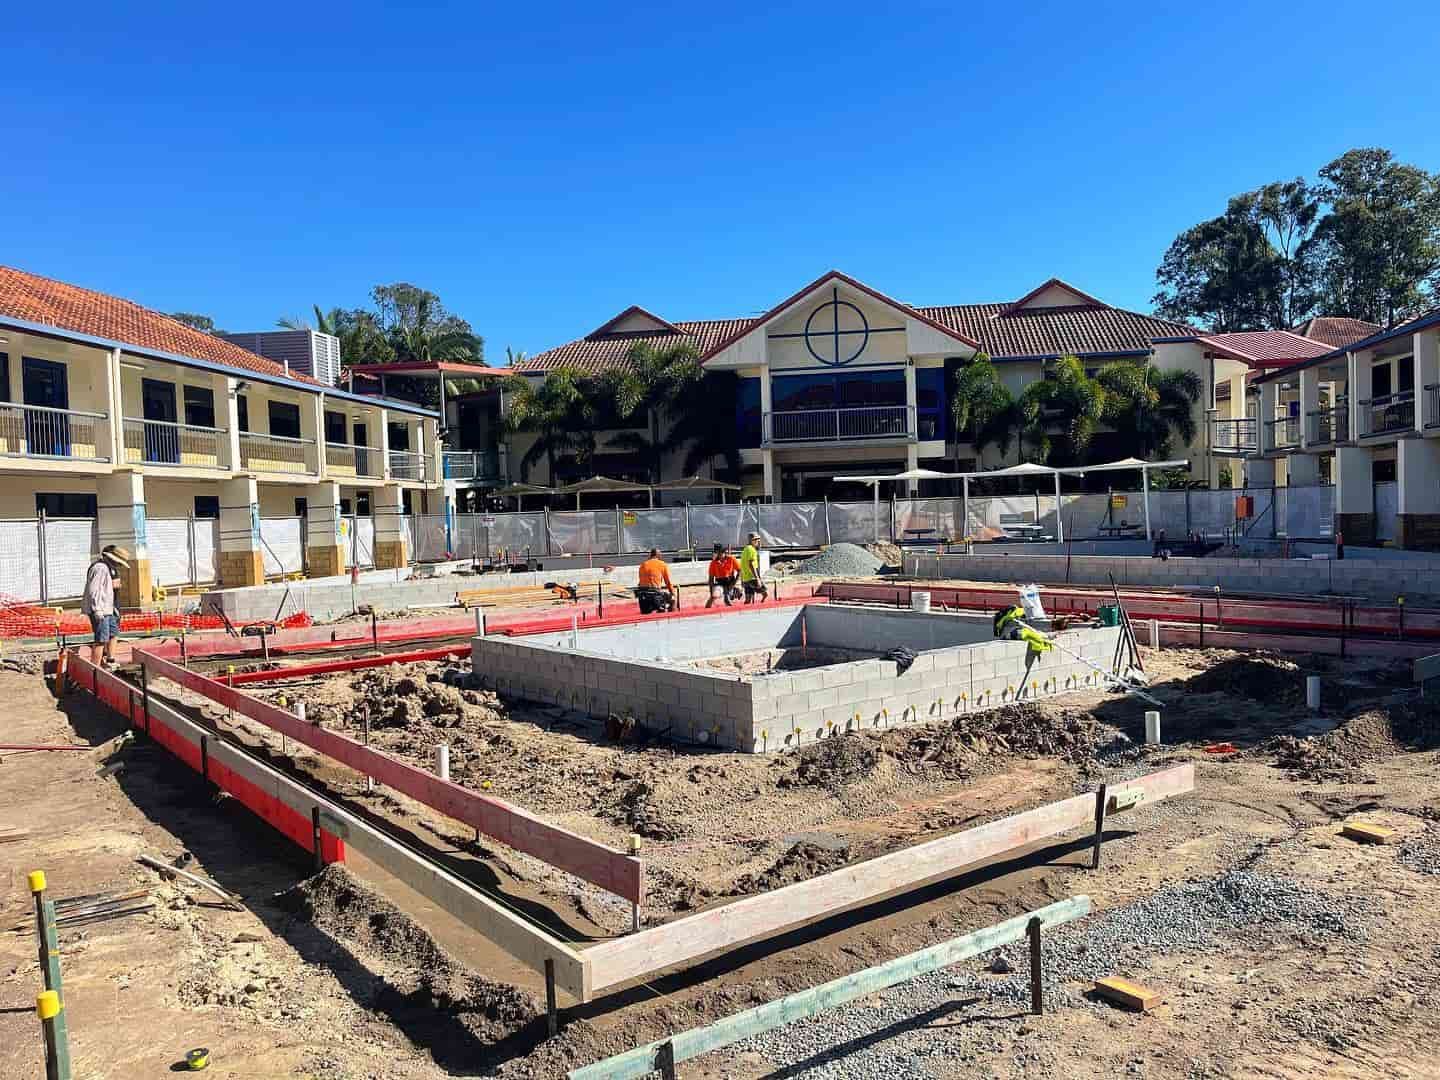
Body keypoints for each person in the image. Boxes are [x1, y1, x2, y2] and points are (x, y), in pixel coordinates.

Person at [82, 545, 130, 667]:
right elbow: (95, 590)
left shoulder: (108, 568)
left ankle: (110, 660)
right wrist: (97, 609)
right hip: (101, 610)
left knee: (112, 633)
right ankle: (95, 667)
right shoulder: (100, 568)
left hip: (108, 609)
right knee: (101, 639)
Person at [636, 547, 675, 614]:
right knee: (672, 600)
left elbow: (640, 583)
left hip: (643, 597)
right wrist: (673, 594)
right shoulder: (662, 564)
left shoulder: (642, 565)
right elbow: (668, 582)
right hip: (655, 595)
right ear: (658, 555)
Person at [706, 543, 740, 608]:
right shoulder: (713, 563)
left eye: (720, 552)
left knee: (740, 592)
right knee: (714, 596)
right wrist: (711, 593)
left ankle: (732, 596)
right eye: (717, 553)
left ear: (724, 552)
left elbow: (740, 571)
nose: (718, 555)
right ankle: (706, 611)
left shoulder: (731, 559)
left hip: (730, 583)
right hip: (720, 583)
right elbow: (711, 579)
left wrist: (733, 584)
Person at [739, 532, 768, 605]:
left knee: (748, 600)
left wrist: (742, 579)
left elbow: (742, 565)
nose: (758, 541)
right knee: (765, 594)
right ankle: (761, 608)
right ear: (751, 540)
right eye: (756, 539)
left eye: (758, 539)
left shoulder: (746, 549)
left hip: (746, 579)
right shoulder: (751, 549)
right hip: (752, 578)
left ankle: (746, 613)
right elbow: (751, 565)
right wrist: (757, 578)